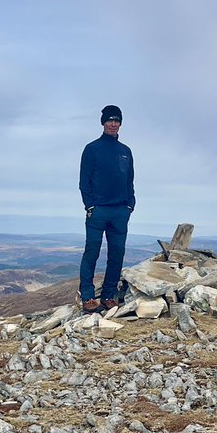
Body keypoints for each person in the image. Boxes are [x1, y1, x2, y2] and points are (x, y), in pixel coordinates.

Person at [78, 104, 135, 313]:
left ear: (120, 123)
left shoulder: (125, 152)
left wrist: (130, 205)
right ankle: (87, 296)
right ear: (103, 123)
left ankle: (109, 295)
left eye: (116, 120)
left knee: (117, 253)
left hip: (120, 211)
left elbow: (130, 181)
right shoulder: (92, 149)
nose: (113, 124)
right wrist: (90, 205)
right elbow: (84, 181)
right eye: (109, 120)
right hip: (98, 210)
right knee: (91, 251)